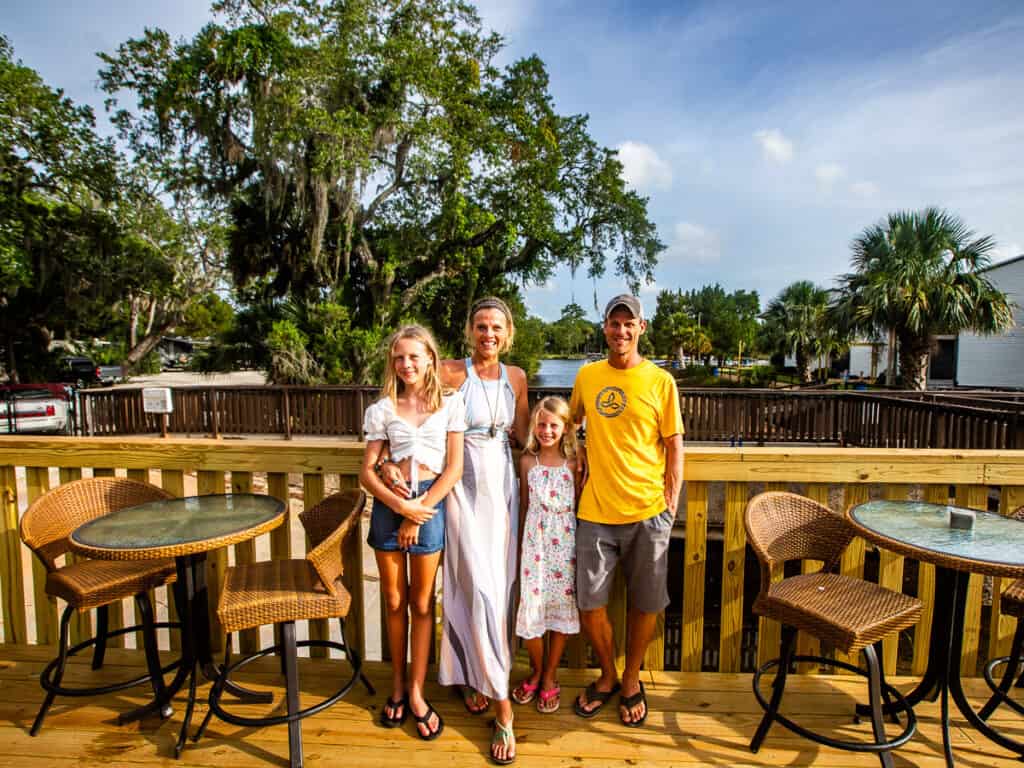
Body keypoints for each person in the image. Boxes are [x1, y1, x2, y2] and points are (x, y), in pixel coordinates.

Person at [570, 294, 684, 728]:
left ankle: (632, 679)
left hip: (648, 510)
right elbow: (571, 421)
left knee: (646, 602)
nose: (621, 331)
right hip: (595, 509)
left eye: (628, 323)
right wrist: (576, 452)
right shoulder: (587, 376)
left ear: (642, 327)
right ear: (605, 328)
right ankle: (607, 675)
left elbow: (675, 445)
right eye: (614, 323)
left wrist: (671, 500)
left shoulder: (661, 382)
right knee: (590, 604)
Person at [359, 325, 465, 741]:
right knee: (393, 598)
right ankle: (398, 685)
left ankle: (419, 691)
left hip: (431, 503)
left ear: (430, 360)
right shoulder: (382, 409)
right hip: (390, 503)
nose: (406, 364)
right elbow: (367, 471)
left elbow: (454, 468)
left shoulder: (449, 405)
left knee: (422, 602)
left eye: (414, 357)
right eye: (399, 358)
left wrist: (418, 511)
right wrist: (400, 506)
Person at [511, 396, 581, 720]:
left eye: (554, 425)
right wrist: (520, 548)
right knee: (533, 608)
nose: (546, 431)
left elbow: (580, 506)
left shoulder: (575, 462)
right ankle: (537, 671)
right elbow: (524, 506)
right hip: (535, 542)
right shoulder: (528, 461)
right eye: (541, 424)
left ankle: (550, 674)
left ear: (565, 428)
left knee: (560, 609)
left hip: (565, 543)